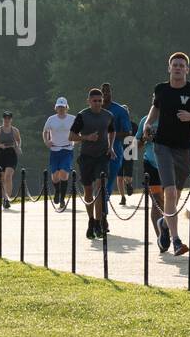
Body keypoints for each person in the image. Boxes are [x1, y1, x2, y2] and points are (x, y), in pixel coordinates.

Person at [140, 52, 190, 256]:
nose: (178, 68)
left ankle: (164, 223)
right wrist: (147, 123)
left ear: (187, 69)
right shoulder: (161, 89)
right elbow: (155, 108)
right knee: (169, 193)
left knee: (176, 195)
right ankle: (177, 241)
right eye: (175, 65)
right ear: (169, 68)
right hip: (162, 146)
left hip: (184, 149)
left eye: (182, 65)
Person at [69, 87, 115, 240]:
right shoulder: (82, 116)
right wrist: (87, 138)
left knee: (100, 187)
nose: (97, 103)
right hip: (87, 157)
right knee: (88, 191)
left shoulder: (108, 115)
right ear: (88, 101)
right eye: (94, 101)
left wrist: (111, 146)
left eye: (100, 101)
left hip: (102, 157)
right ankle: (90, 221)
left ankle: (99, 222)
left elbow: (112, 131)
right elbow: (71, 136)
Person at [137, 115, 169, 253]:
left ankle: (166, 229)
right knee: (157, 200)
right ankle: (161, 237)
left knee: (168, 202)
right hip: (151, 164)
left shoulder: (171, 118)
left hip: (168, 163)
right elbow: (136, 144)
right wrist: (144, 139)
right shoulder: (145, 121)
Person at [101, 82, 133, 211]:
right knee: (99, 182)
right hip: (97, 150)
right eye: (103, 91)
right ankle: (101, 214)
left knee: (108, 181)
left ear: (111, 92)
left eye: (108, 91)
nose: (105, 94)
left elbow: (128, 132)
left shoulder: (120, 110)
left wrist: (110, 134)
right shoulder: (95, 109)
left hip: (115, 150)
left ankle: (103, 213)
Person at [43, 97, 75, 211]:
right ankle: (57, 190)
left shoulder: (72, 119)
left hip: (67, 149)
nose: (61, 109)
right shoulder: (51, 119)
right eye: (59, 107)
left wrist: (75, 139)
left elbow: (77, 131)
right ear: (56, 108)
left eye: (63, 107)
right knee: (55, 175)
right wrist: (47, 141)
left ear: (66, 107)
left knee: (64, 173)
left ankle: (62, 198)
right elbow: (45, 131)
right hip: (54, 150)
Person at [0, 112, 21, 209]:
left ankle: (7, 198)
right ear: (3, 119)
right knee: (2, 178)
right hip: (1, 154)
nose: (7, 120)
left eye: (9, 118)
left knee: (8, 175)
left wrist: (18, 146)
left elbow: (19, 140)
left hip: (11, 154)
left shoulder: (15, 130)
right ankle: (5, 199)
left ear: (11, 119)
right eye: (5, 118)